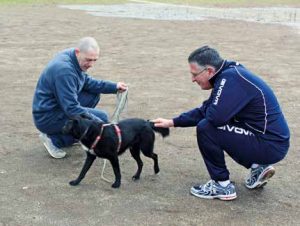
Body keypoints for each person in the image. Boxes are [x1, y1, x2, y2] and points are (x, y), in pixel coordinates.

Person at [153, 46, 290, 201]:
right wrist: (172, 122)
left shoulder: (229, 79)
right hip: (270, 141)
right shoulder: (230, 73)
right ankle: (257, 167)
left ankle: (221, 185)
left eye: (194, 74)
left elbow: (214, 118)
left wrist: (211, 109)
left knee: (207, 128)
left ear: (209, 71)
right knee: (218, 120)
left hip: (269, 145)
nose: (192, 79)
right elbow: (207, 109)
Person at [32, 37, 127, 159]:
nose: (91, 65)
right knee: (101, 117)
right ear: (78, 52)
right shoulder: (65, 70)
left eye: (94, 60)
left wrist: (114, 87)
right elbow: (71, 108)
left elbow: (86, 82)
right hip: (47, 116)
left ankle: (75, 131)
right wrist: (100, 124)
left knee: (93, 94)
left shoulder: (73, 57)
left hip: (57, 106)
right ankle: (54, 140)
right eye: (88, 60)